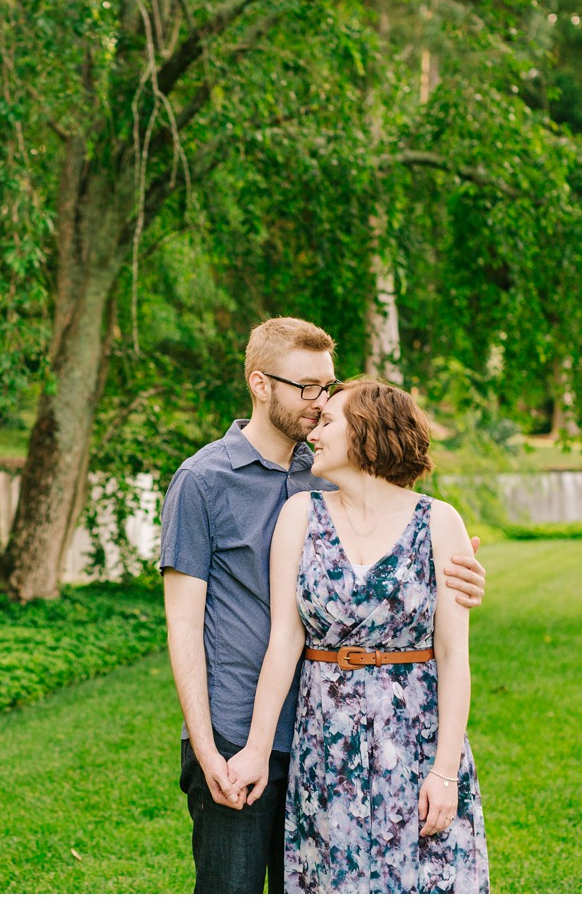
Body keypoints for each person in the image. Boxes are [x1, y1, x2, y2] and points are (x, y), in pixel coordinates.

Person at [160, 318, 487, 894]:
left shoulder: (326, 481)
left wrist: (458, 577)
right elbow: (184, 624)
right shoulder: (204, 480)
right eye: (308, 388)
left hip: (327, 733)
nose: (319, 404)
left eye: (328, 389)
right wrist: (209, 747)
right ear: (261, 385)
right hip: (242, 731)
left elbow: (407, 583)